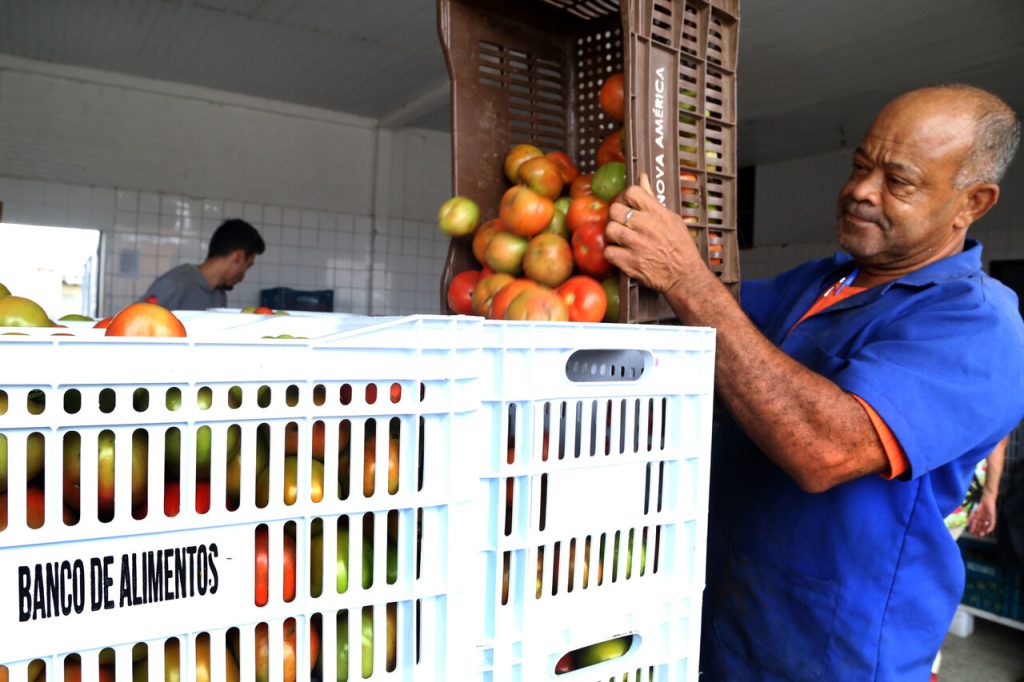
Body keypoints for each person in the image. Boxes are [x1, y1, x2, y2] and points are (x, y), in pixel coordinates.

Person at [604, 84, 1024, 679]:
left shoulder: (979, 326)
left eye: (897, 181)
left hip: (832, 649)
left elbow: (821, 448)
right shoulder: (821, 282)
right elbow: (683, 320)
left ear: (972, 202)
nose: (859, 191)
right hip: (722, 618)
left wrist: (685, 276)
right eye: (860, 166)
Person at [140, 218, 265, 310]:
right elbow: (134, 323)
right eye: (247, 266)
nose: (243, 277)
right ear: (238, 257)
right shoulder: (176, 284)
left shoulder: (219, 296)